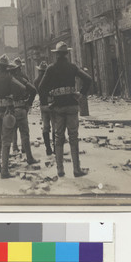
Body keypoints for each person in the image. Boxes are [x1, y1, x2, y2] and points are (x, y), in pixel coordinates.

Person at [39, 41, 92, 178]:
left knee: (58, 138)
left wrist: (46, 102)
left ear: (56, 54)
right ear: (66, 53)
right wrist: (81, 94)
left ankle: (60, 170)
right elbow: (88, 79)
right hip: (72, 106)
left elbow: (41, 87)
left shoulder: (50, 69)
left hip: (57, 107)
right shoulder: (73, 67)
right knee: (73, 137)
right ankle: (76, 169)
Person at [10, 58, 39, 165]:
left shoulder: (7, 81)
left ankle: (14, 148)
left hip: (11, 110)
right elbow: (33, 90)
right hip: (22, 108)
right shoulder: (23, 79)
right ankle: (28, 156)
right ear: (18, 69)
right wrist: (28, 103)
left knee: (12, 129)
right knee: (25, 133)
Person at [34, 61, 55, 156]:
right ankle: (56, 147)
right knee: (55, 127)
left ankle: (48, 148)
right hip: (52, 104)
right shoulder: (50, 79)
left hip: (43, 105)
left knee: (45, 127)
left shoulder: (36, 81)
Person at [10, 57, 29, 153]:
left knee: (14, 128)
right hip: (22, 105)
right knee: (24, 130)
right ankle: (24, 148)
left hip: (12, 106)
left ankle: (14, 147)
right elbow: (30, 91)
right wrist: (28, 103)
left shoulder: (9, 78)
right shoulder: (24, 77)